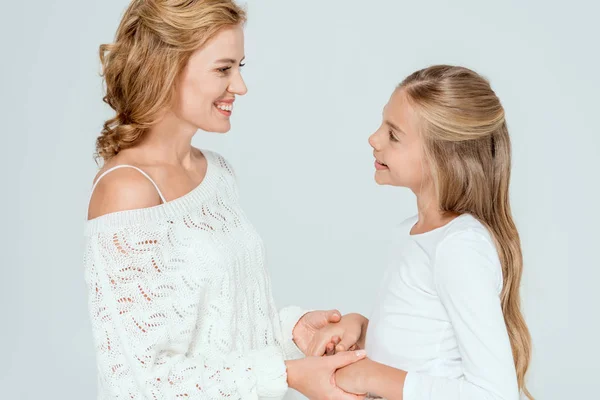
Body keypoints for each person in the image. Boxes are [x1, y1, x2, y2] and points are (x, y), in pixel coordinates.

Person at [83, 1, 364, 398]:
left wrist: (295, 329)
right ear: (167, 68)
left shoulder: (216, 173)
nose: (240, 86)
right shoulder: (128, 190)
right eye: (223, 69)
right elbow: (144, 380)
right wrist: (289, 375)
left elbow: (223, 330)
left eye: (240, 67)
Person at [315, 65, 533, 400]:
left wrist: (372, 377)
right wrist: (364, 331)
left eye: (394, 134)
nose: (373, 139)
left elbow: (494, 393)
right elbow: (427, 352)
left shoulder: (459, 246)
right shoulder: (413, 234)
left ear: (442, 157)